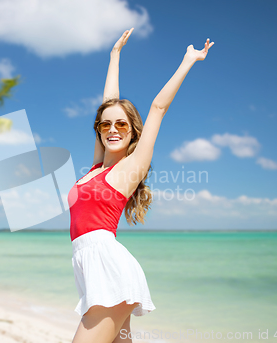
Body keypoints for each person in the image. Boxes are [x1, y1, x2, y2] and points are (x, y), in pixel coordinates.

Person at [67, 28, 214, 343]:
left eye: (121, 124)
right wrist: (114, 56)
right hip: (91, 272)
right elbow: (108, 102)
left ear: (133, 131)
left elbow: (158, 108)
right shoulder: (95, 167)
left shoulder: (129, 170)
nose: (113, 129)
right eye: (106, 124)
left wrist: (189, 59)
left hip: (110, 272)